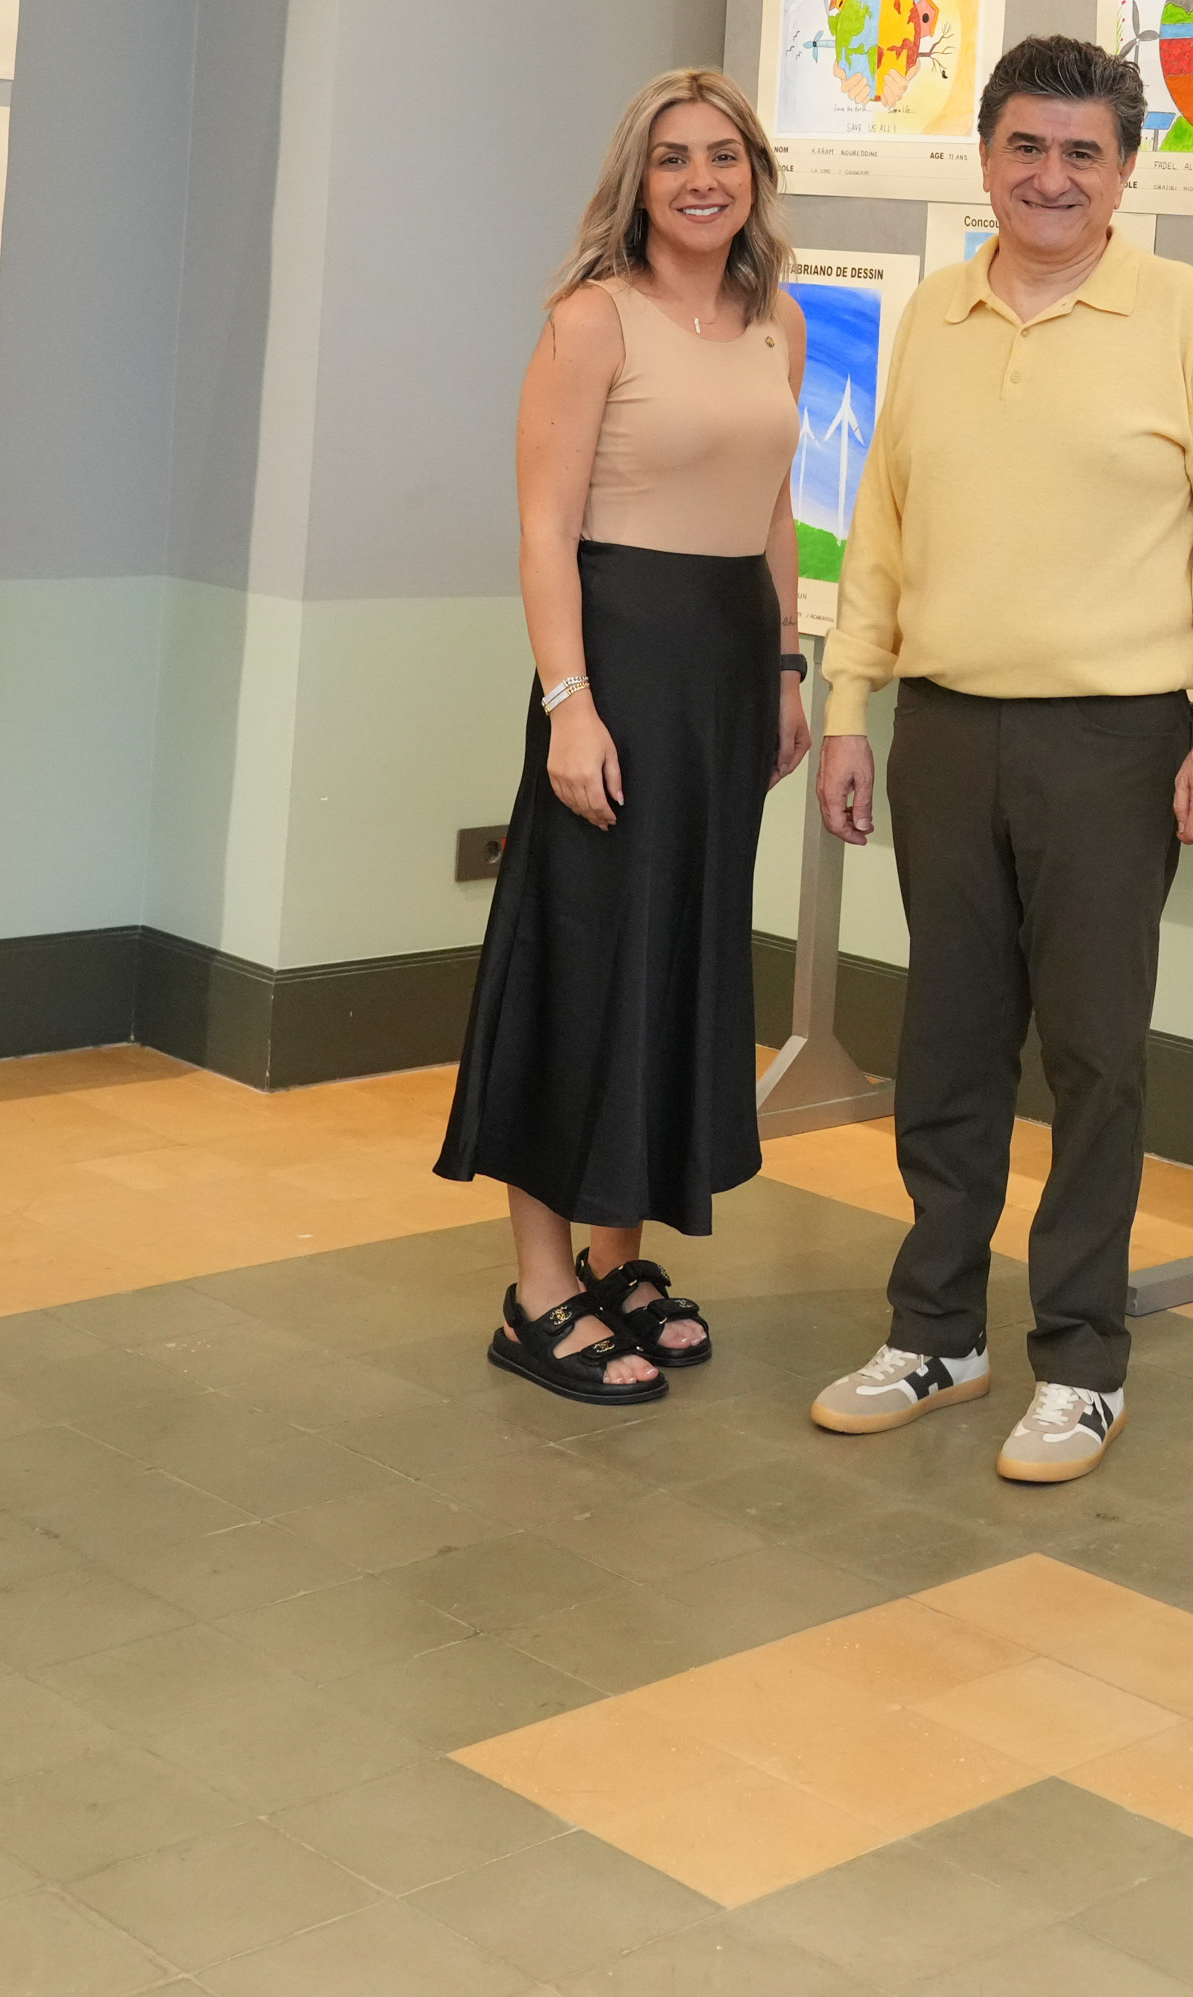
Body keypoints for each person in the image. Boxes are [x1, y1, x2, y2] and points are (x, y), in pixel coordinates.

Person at [805, 34, 1193, 1484]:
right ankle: (935, 1331)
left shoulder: (1182, 315)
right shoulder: (934, 315)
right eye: (1026, 146)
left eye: (1083, 153)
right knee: (946, 1047)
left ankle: (1080, 1361)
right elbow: (881, 526)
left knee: (1092, 1055)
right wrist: (848, 704)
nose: (1051, 177)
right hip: (946, 728)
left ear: (1126, 172)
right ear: (986, 159)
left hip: (1116, 741)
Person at [434, 68, 809, 1404]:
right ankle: (538, 1289)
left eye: (724, 155)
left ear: (755, 174)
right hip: (619, 663)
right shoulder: (592, 320)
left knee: (677, 961)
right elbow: (544, 528)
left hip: (726, 664)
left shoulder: (778, 322)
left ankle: (617, 1258)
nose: (702, 180)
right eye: (673, 159)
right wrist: (568, 701)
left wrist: (786, 665)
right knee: (586, 961)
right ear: (636, 184)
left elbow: (774, 509)